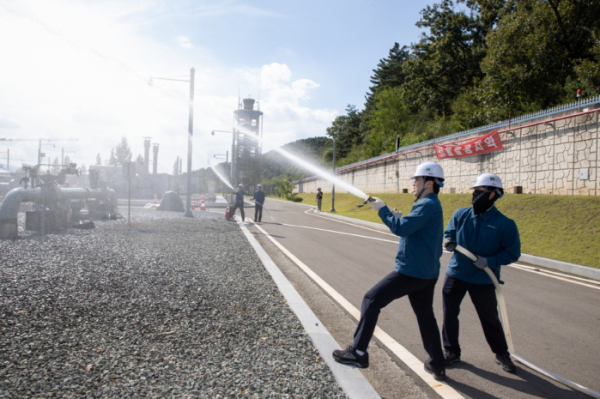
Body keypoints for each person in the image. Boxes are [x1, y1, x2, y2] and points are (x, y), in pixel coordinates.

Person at [332, 161, 448, 381]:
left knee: (371, 300)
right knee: (425, 316)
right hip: (427, 273)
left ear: (429, 182)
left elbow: (401, 229)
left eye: (417, 179)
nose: (413, 183)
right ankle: (436, 363)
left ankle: (358, 352)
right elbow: (412, 227)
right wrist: (400, 215)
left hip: (411, 272)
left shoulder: (427, 204)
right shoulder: (430, 203)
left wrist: (383, 211)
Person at [442, 173, 521, 374]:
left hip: (484, 278)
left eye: (479, 192)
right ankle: (451, 351)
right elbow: (449, 233)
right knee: (450, 314)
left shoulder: (505, 224)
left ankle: (501, 353)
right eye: (474, 192)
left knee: (489, 317)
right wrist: (449, 240)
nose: (475, 195)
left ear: (493, 194)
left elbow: (512, 253)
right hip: (456, 273)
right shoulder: (461, 215)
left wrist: (489, 262)